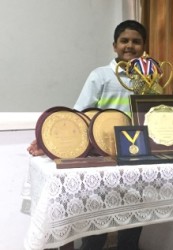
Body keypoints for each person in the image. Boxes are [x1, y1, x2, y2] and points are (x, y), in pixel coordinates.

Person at [27, 19, 146, 250]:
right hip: (101, 157)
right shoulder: (101, 75)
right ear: (115, 46)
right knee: (97, 220)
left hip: (134, 156)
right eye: (124, 41)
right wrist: (48, 143)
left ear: (144, 46)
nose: (130, 46)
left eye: (136, 41)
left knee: (134, 214)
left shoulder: (147, 79)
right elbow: (78, 114)